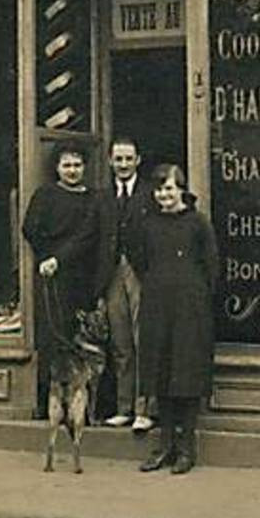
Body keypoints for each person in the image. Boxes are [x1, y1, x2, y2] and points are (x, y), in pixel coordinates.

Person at [131, 164, 218, 475]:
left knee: (186, 372)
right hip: (158, 304)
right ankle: (164, 445)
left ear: (181, 189)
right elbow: (140, 259)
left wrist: (195, 296)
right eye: (158, 190)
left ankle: (186, 449)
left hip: (190, 307)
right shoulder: (148, 224)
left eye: (168, 188)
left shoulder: (197, 223)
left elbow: (211, 266)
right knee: (161, 371)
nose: (163, 195)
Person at [21, 140, 102, 420]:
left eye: (77, 165)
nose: (72, 170)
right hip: (52, 276)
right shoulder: (45, 195)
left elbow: (90, 235)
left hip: (82, 276)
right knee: (52, 339)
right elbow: (30, 227)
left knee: (83, 342)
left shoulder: (94, 198)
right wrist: (47, 256)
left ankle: (83, 408)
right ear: (57, 168)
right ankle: (50, 405)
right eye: (66, 165)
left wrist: (62, 257)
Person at [99, 137, 156, 432]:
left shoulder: (150, 194)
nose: (123, 164)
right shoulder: (103, 196)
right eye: (118, 159)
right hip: (112, 273)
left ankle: (144, 409)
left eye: (128, 159)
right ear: (110, 161)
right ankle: (124, 407)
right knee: (120, 342)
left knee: (142, 339)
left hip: (141, 272)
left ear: (138, 160)